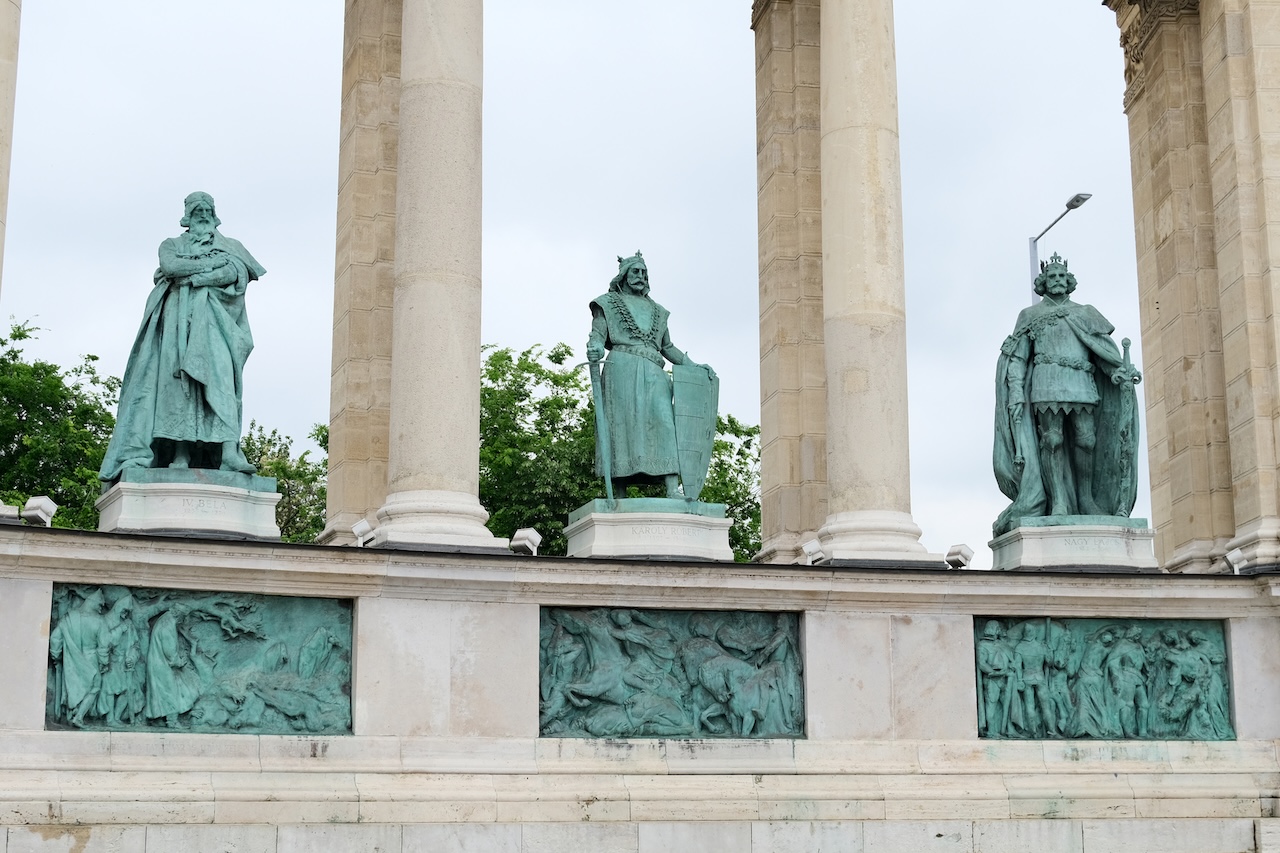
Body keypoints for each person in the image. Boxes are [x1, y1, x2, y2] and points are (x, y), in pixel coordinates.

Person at [99, 192, 266, 482]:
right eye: (196, 209)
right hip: (176, 322)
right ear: (187, 215)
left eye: (208, 209)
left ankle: (229, 453)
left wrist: (197, 277)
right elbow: (171, 267)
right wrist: (210, 267)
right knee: (176, 388)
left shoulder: (232, 247)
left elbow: (235, 272)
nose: (203, 213)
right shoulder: (171, 245)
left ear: (215, 214)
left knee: (222, 382)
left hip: (217, 326)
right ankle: (180, 453)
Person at [993, 254, 1141, 536]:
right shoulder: (1029, 316)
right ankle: (1059, 500)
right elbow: (1018, 358)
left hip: (1081, 382)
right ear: (1043, 283)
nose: (1058, 281)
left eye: (1062, 276)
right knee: (1052, 440)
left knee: (1087, 441)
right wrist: (1015, 392)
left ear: (1070, 282)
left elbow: (1102, 351)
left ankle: (1086, 498)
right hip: (1046, 382)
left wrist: (1118, 372)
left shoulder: (1085, 312)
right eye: (1052, 277)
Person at [586, 252, 715, 498]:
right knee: (621, 427)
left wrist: (694, 365)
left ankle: (671, 487)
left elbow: (667, 348)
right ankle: (619, 491)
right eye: (635, 271)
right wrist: (593, 346)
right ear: (623, 275)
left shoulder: (658, 311)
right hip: (621, 370)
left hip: (655, 373)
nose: (641, 276)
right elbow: (598, 336)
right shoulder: (607, 304)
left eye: (644, 273)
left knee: (666, 423)